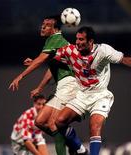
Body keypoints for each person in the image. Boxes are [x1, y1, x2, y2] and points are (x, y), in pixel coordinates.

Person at [50, 26, 131, 155]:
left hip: (100, 96)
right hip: (82, 95)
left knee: (94, 127)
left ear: (90, 41)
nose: (77, 42)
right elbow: (50, 56)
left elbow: (122, 59)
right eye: (77, 39)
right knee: (59, 121)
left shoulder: (103, 50)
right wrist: (34, 61)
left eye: (81, 39)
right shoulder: (71, 50)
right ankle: (80, 150)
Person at [9, 15, 87, 155]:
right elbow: (51, 69)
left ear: (55, 28)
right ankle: (75, 145)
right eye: (42, 24)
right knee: (39, 121)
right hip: (64, 86)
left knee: (53, 124)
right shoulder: (55, 42)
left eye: (47, 25)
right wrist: (40, 87)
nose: (42, 27)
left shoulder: (55, 39)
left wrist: (21, 76)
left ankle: (78, 148)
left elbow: (41, 60)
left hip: (70, 84)